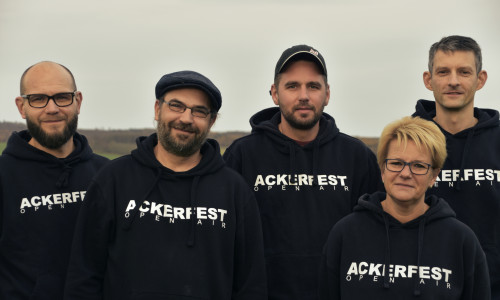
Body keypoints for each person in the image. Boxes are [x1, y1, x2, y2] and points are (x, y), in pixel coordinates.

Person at [64, 70, 267, 299]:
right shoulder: (113, 179)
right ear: (157, 109)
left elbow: (251, 287)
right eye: (176, 106)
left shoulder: (235, 192)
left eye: (199, 111)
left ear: (211, 121)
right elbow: (83, 276)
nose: (186, 119)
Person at [223, 44, 382, 299]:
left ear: (327, 94)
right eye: (292, 86)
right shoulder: (242, 156)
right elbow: (225, 241)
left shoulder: (357, 157)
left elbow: (374, 237)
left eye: (314, 86)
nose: (304, 96)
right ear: (274, 93)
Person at [319, 116, 490, 299]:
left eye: (418, 166)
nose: (405, 174)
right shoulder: (346, 234)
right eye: (396, 163)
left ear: (434, 175)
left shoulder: (461, 241)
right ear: (383, 170)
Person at [0, 61, 109, 299]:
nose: (52, 108)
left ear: (78, 101)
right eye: (38, 98)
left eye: (62, 97)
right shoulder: (4, 176)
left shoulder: (109, 175)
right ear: (21, 106)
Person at [412, 35, 500, 298]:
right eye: (443, 72)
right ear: (428, 80)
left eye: (464, 72)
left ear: (480, 79)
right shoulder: (407, 141)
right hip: (423, 290)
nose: (453, 81)